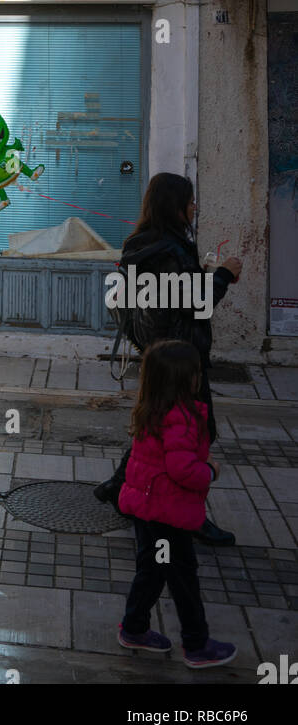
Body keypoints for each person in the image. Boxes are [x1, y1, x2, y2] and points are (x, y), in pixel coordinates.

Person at [94, 172, 242, 546]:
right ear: (174, 206)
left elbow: (168, 297)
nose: (194, 208)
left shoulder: (144, 243)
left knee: (159, 426)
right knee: (195, 433)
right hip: (180, 357)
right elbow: (194, 303)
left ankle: (118, 486)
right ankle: (191, 518)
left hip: (158, 352)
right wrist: (223, 276)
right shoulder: (170, 251)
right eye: (190, 202)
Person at [117, 339, 237, 668]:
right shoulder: (180, 417)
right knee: (184, 579)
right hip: (167, 514)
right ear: (187, 380)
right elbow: (182, 470)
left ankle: (134, 628)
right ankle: (196, 645)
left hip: (147, 509)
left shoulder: (150, 409)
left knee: (152, 572)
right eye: (197, 372)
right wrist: (209, 471)